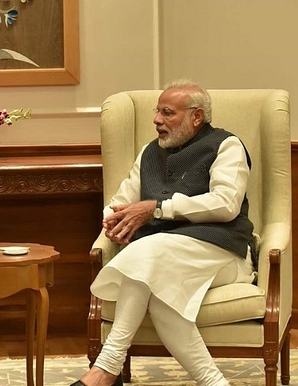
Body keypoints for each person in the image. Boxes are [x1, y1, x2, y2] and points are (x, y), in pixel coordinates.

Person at [70, 80, 257, 386]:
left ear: (196, 117)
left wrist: (157, 209)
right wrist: (113, 221)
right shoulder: (149, 153)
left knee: (146, 255)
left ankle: (106, 369)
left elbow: (226, 204)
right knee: (154, 281)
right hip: (163, 257)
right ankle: (214, 383)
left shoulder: (226, 146)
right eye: (157, 112)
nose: (157, 120)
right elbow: (120, 202)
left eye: (167, 113)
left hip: (223, 253)